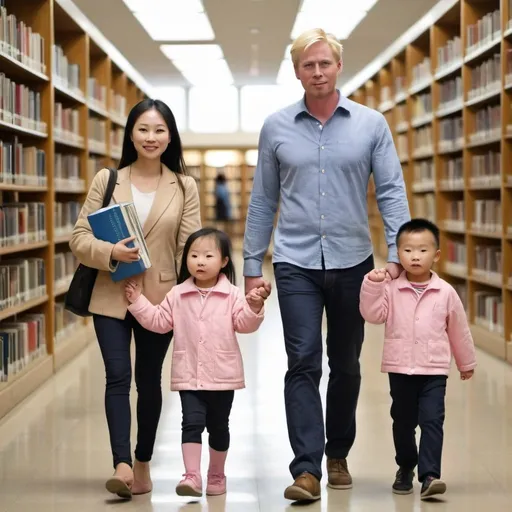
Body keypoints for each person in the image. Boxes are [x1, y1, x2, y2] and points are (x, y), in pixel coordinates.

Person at [243, 28, 411, 502]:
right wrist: (252, 265)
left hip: (353, 261)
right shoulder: (276, 127)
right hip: (294, 261)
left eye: (324, 64)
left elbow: (392, 192)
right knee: (302, 362)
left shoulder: (371, 124)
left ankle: (337, 452)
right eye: (306, 65)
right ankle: (306, 469)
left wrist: (398, 255)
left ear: (339, 66)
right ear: (296, 71)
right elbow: (262, 201)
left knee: (347, 364)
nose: (316, 73)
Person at [70, 98, 201, 499]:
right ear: (131, 133)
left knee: (148, 380)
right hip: (111, 292)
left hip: (159, 298)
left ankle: (143, 460)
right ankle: (122, 464)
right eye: (143, 129)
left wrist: (193, 298)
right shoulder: (107, 180)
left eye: (159, 130)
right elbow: (79, 238)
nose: (151, 137)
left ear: (170, 136)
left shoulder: (184, 185)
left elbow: (189, 249)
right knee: (117, 376)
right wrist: (111, 253)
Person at [124, 228, 266, 497]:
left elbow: (244, 324)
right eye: (194, 255)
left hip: (222, 376)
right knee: (190, 422)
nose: (200, 261)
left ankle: (216, 474)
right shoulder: (177, 294)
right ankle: (191, 476)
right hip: (189, 373)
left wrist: (254, 307)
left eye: (208, 255)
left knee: (218, 426)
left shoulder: (233, 294)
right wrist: (137, 301)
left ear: (224, 261)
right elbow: (159, 321)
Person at [359, 218, 476, 499]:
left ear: (436, 255)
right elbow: (372, 315)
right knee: (403, 422)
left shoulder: (446, 292)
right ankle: (405, 466)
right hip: (400, 368)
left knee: (433, 420)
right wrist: (372, 285)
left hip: (434, 369)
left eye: (422, 250)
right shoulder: (389, 288)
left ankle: (430, 475)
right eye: (408, 250)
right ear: (397, 254)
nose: (415, 256)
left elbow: (458, 329)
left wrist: (466, 362)